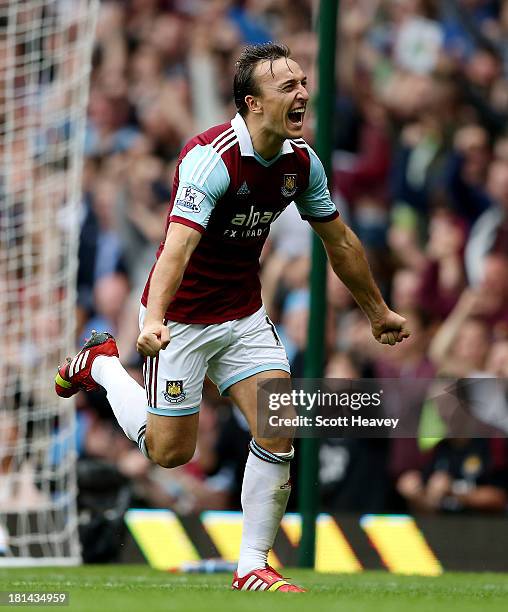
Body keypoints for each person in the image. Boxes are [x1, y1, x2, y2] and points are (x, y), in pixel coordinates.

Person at [55, 43, 409, 592]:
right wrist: (151, 320)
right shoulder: (212, 158)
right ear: (252, 103)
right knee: (170, 453)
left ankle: (252, 566)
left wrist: (378, 311)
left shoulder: (302, 161)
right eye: (287, 87)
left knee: (280, 421)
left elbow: (339, 242)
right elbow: (175, 249)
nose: (302, 94)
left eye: (302, 83)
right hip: (182, 318)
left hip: (242, 313)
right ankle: (102, 365)